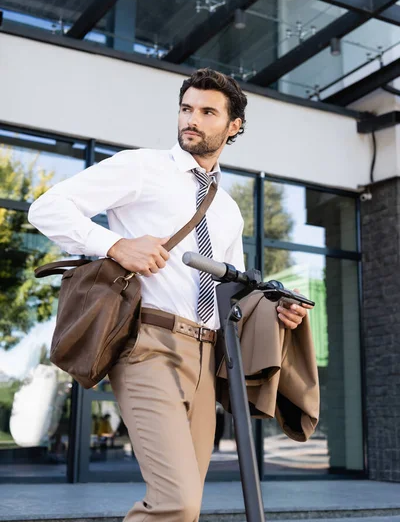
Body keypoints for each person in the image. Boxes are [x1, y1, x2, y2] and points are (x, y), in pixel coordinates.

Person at [28, 68, 312, 521]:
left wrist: (276, 313)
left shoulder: (228, 208)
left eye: (206, 112)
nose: (191, 120)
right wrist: (116, 245)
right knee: (175, 501)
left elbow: (231, 290)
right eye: (185, 109)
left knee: (187, 507)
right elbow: (46, 207)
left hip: (205, 355)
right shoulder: (141, 167)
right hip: (149, 345)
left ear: (233, 126)